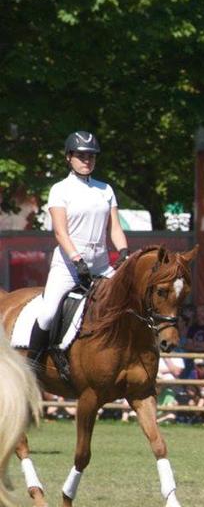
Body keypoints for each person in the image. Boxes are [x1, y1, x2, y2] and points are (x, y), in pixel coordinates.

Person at [30, 131, 131, 371]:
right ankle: (31, 363)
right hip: (68, 266)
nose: (87, 160)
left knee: (130, 302)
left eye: (92, 156)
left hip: (101, 264)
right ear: (69, 157)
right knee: (47, 313)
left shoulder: (105, 189)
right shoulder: (60, 189)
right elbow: (60, 233)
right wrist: (77, 260)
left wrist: (124, 251)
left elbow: (115, 228)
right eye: (81, 156)